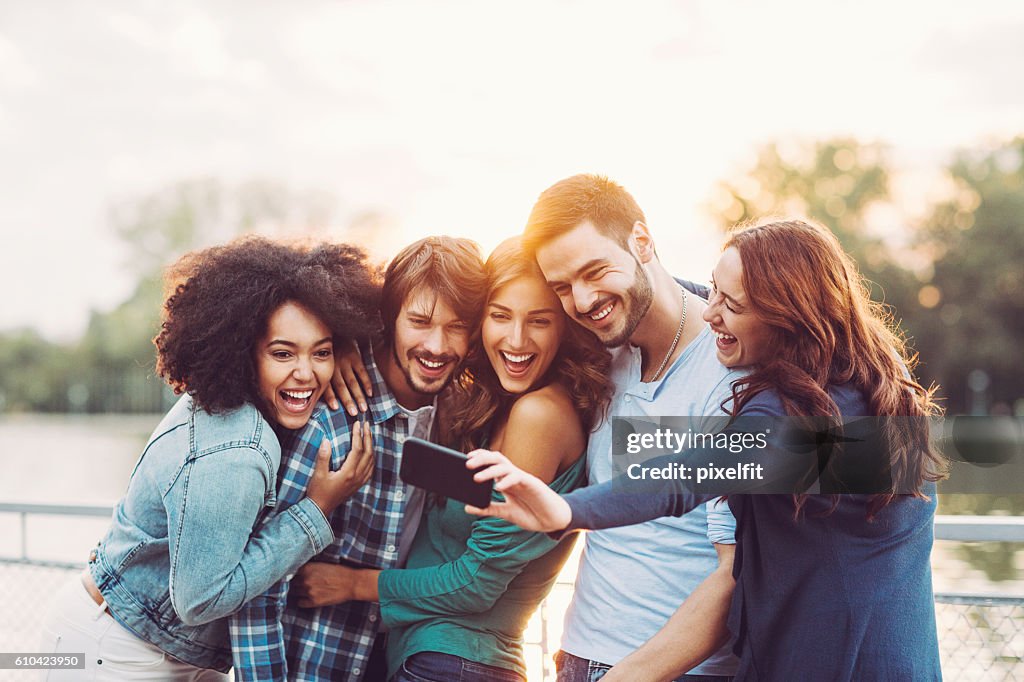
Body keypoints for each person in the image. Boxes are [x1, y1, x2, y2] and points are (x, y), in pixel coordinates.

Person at [467, 219, 946, 681]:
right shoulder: (883, 392)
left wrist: (566, 509)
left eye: (730, 303)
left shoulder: (794, 422)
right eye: (713, 289)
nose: (711, 311)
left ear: (787, 315)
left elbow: (686, 475)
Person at [39, 237, 382, 680]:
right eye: (283, 352)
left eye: (322, 351)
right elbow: (200, 600)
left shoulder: (239, 401)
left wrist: (349, 343)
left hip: (163, 647)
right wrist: (315, 512)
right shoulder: (234, 449)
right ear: (242, 351)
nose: (306, 372)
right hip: (109, 651)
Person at [289, 237, 615, 681]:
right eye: (500, 316)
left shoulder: (539, 415)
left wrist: (351, 584)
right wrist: (344, 343)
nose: (517, 338)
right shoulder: (482, 401)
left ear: (565, 327)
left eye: (539, 321)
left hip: (459, 662)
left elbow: (477, 583)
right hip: (429, 657)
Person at [230, 236, 488, 681]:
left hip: (390, 659)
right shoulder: (333, 420)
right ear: (390, 319)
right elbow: (260, 586)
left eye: (457, 326)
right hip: (311, 663)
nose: (437, 345)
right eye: (420, 321)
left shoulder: (460, 415)